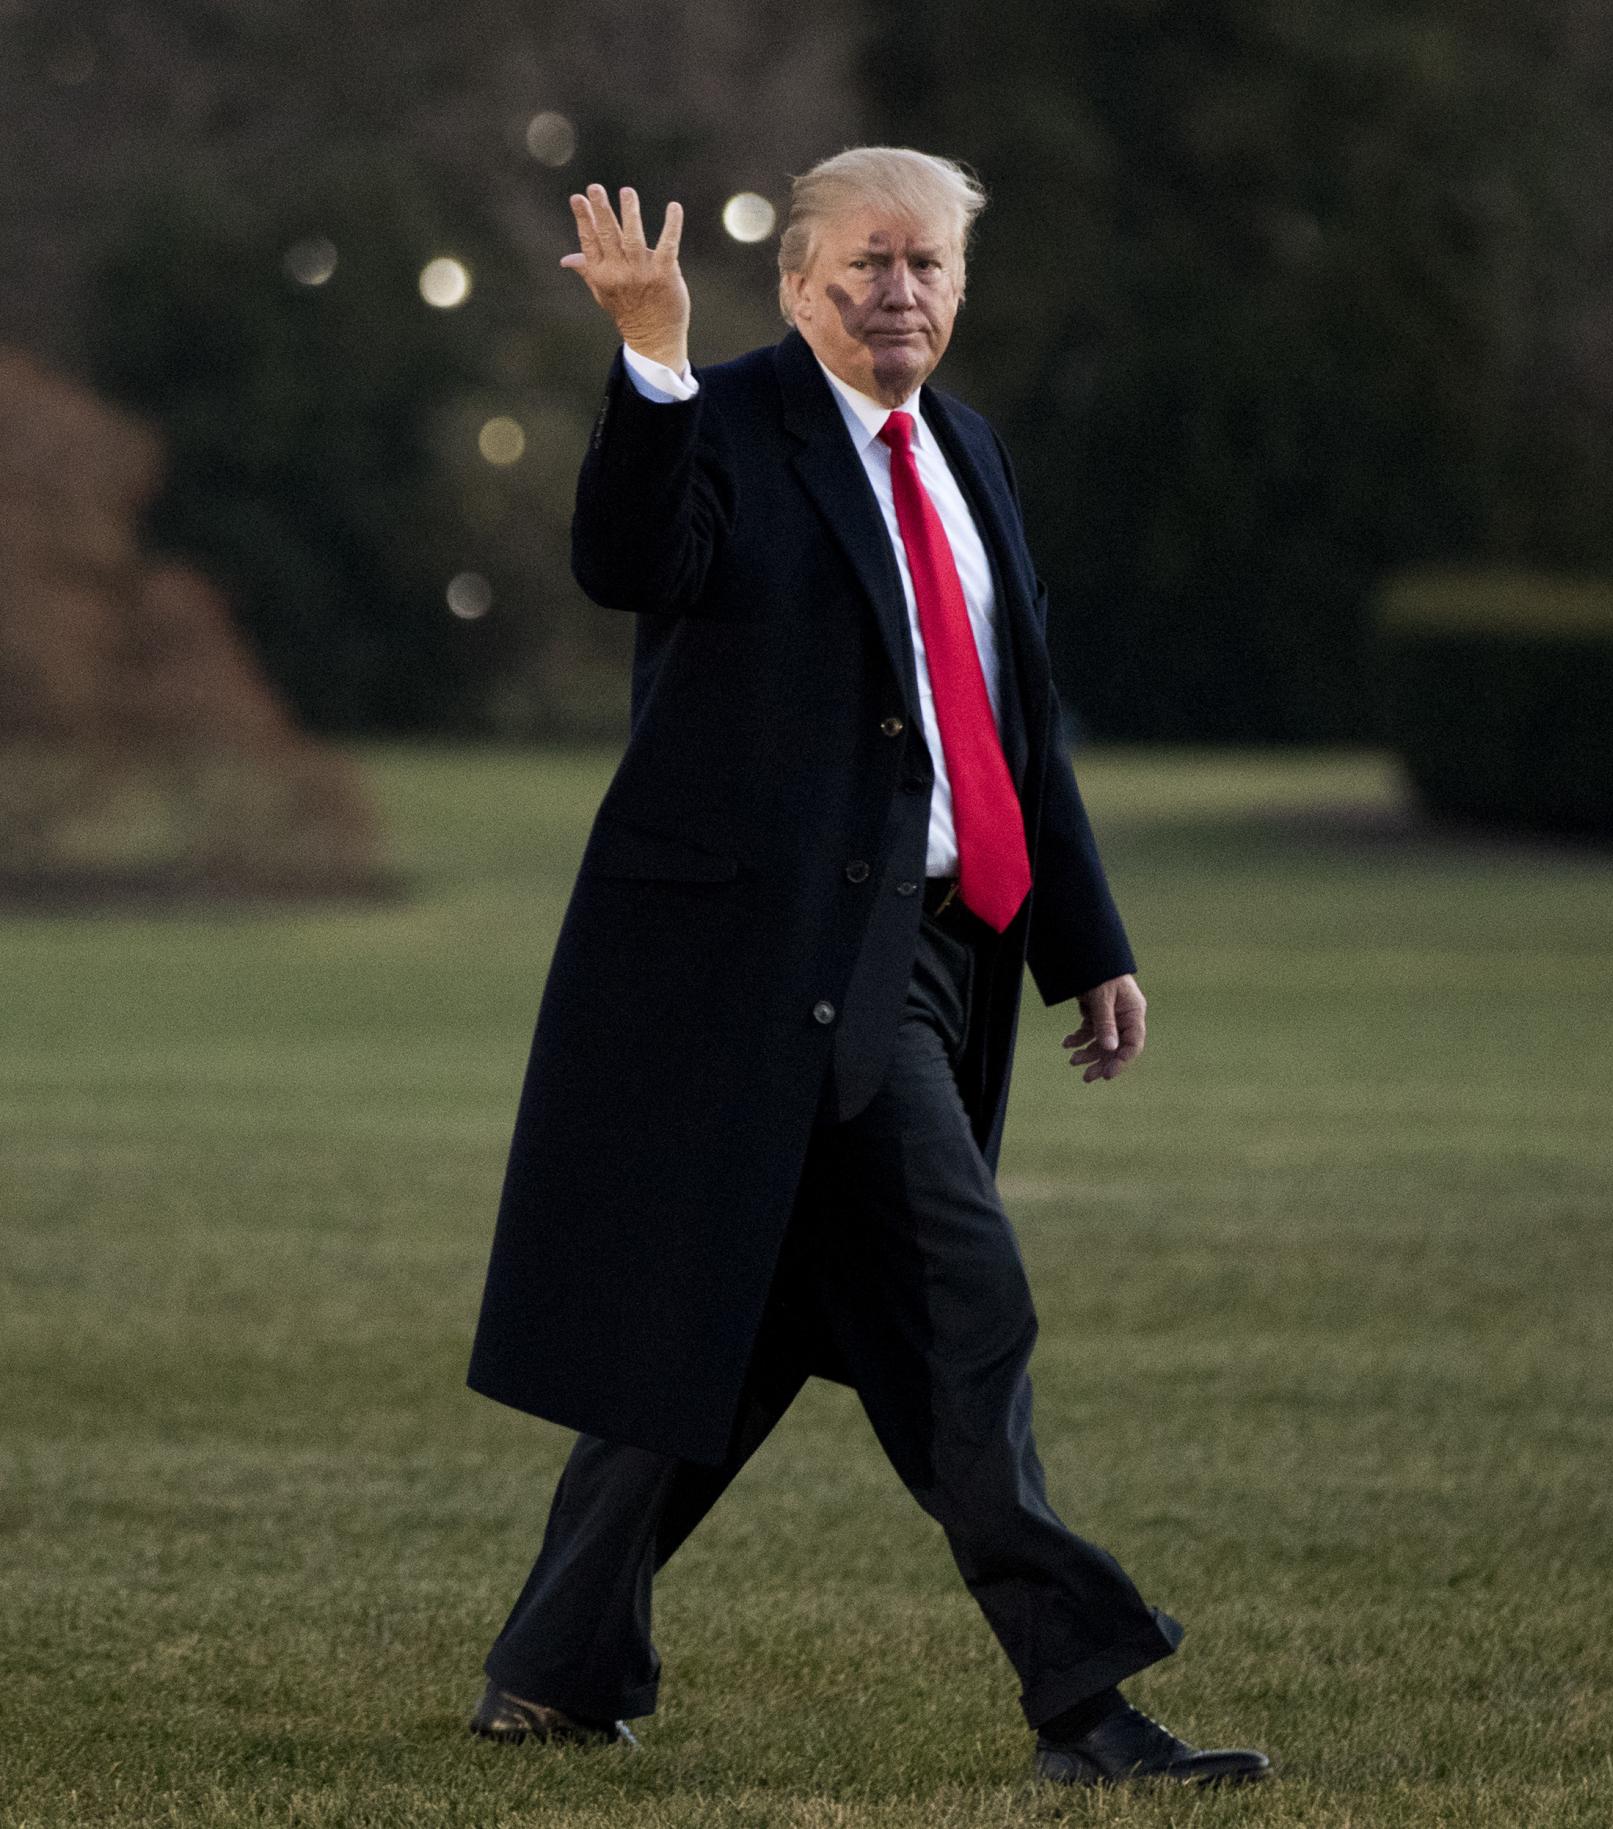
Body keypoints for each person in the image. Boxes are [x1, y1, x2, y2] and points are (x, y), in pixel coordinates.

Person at [461, 146, 1269, 1790]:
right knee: (964, 1304)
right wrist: (649, 357)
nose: (900, 291)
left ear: (960, 290)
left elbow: (1009, 723)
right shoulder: (730, 422)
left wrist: (1081, 939)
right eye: (869, 264)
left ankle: (552, 1667)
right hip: (766, 968)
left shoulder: (967, 450)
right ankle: (1085, 1696)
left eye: (929, 267)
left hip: (938, 955)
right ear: (798, 281)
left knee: (735, 1324)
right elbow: (632, 558)